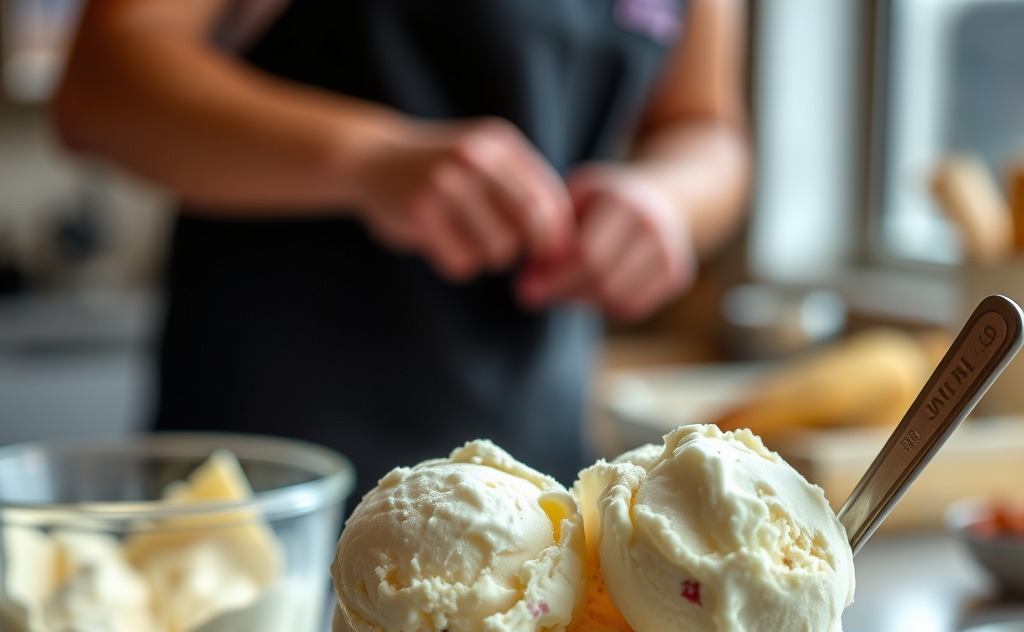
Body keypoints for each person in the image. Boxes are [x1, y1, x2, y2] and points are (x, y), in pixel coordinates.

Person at [52, 0, 751, 505]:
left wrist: (667, 202)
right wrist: (365, 158)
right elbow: (101, 83)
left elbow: (706, 128)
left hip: (536, 464)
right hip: (263, 481)